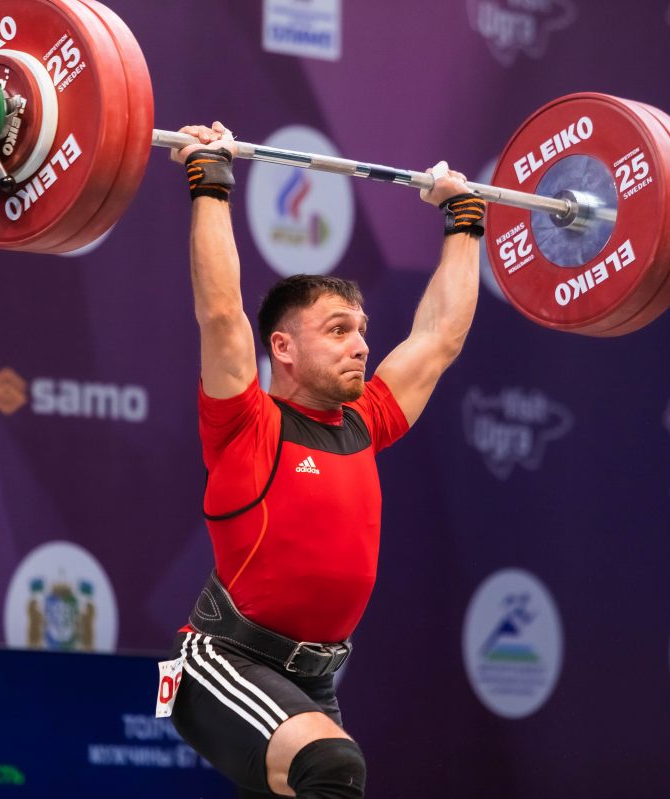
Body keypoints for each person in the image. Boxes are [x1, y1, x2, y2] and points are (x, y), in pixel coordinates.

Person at [162, 121, 484, 799]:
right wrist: (209, 179)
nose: (361, 345)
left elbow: (438, 338)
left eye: (362, 330)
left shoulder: (367, 422)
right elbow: (221, 314)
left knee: (329, 771)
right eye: (338, 330)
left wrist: (463, 218)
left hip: (311, 680)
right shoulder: (246, 423)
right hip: (224, 661)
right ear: (282, 348)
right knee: (333, 767)